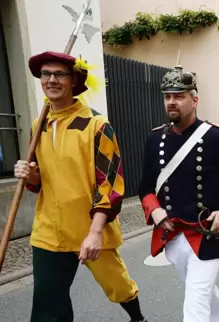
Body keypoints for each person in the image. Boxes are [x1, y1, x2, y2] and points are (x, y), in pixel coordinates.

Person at [14, 51, 146, 322]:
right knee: (48, 305)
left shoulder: (96, 124)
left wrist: (96, 232)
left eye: (60, 74)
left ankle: (138, 319)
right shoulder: (39, 125)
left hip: (90, 228)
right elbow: (41, 181)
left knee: (119, 286)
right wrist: (29, 176)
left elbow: (110, 184)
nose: (51, 80)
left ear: (74, 80)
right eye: (46, 74)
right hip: (49, 231)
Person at [138, 62, 219, 321]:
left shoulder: (217, 138)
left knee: (195, 306)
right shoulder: (154, 139)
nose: (172, 102)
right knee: (204, 295)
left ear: (194, 100)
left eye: (179, 96)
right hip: (172, 233)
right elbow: (146, 187)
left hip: (207, 234)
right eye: (167, 97)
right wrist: (155, 210)